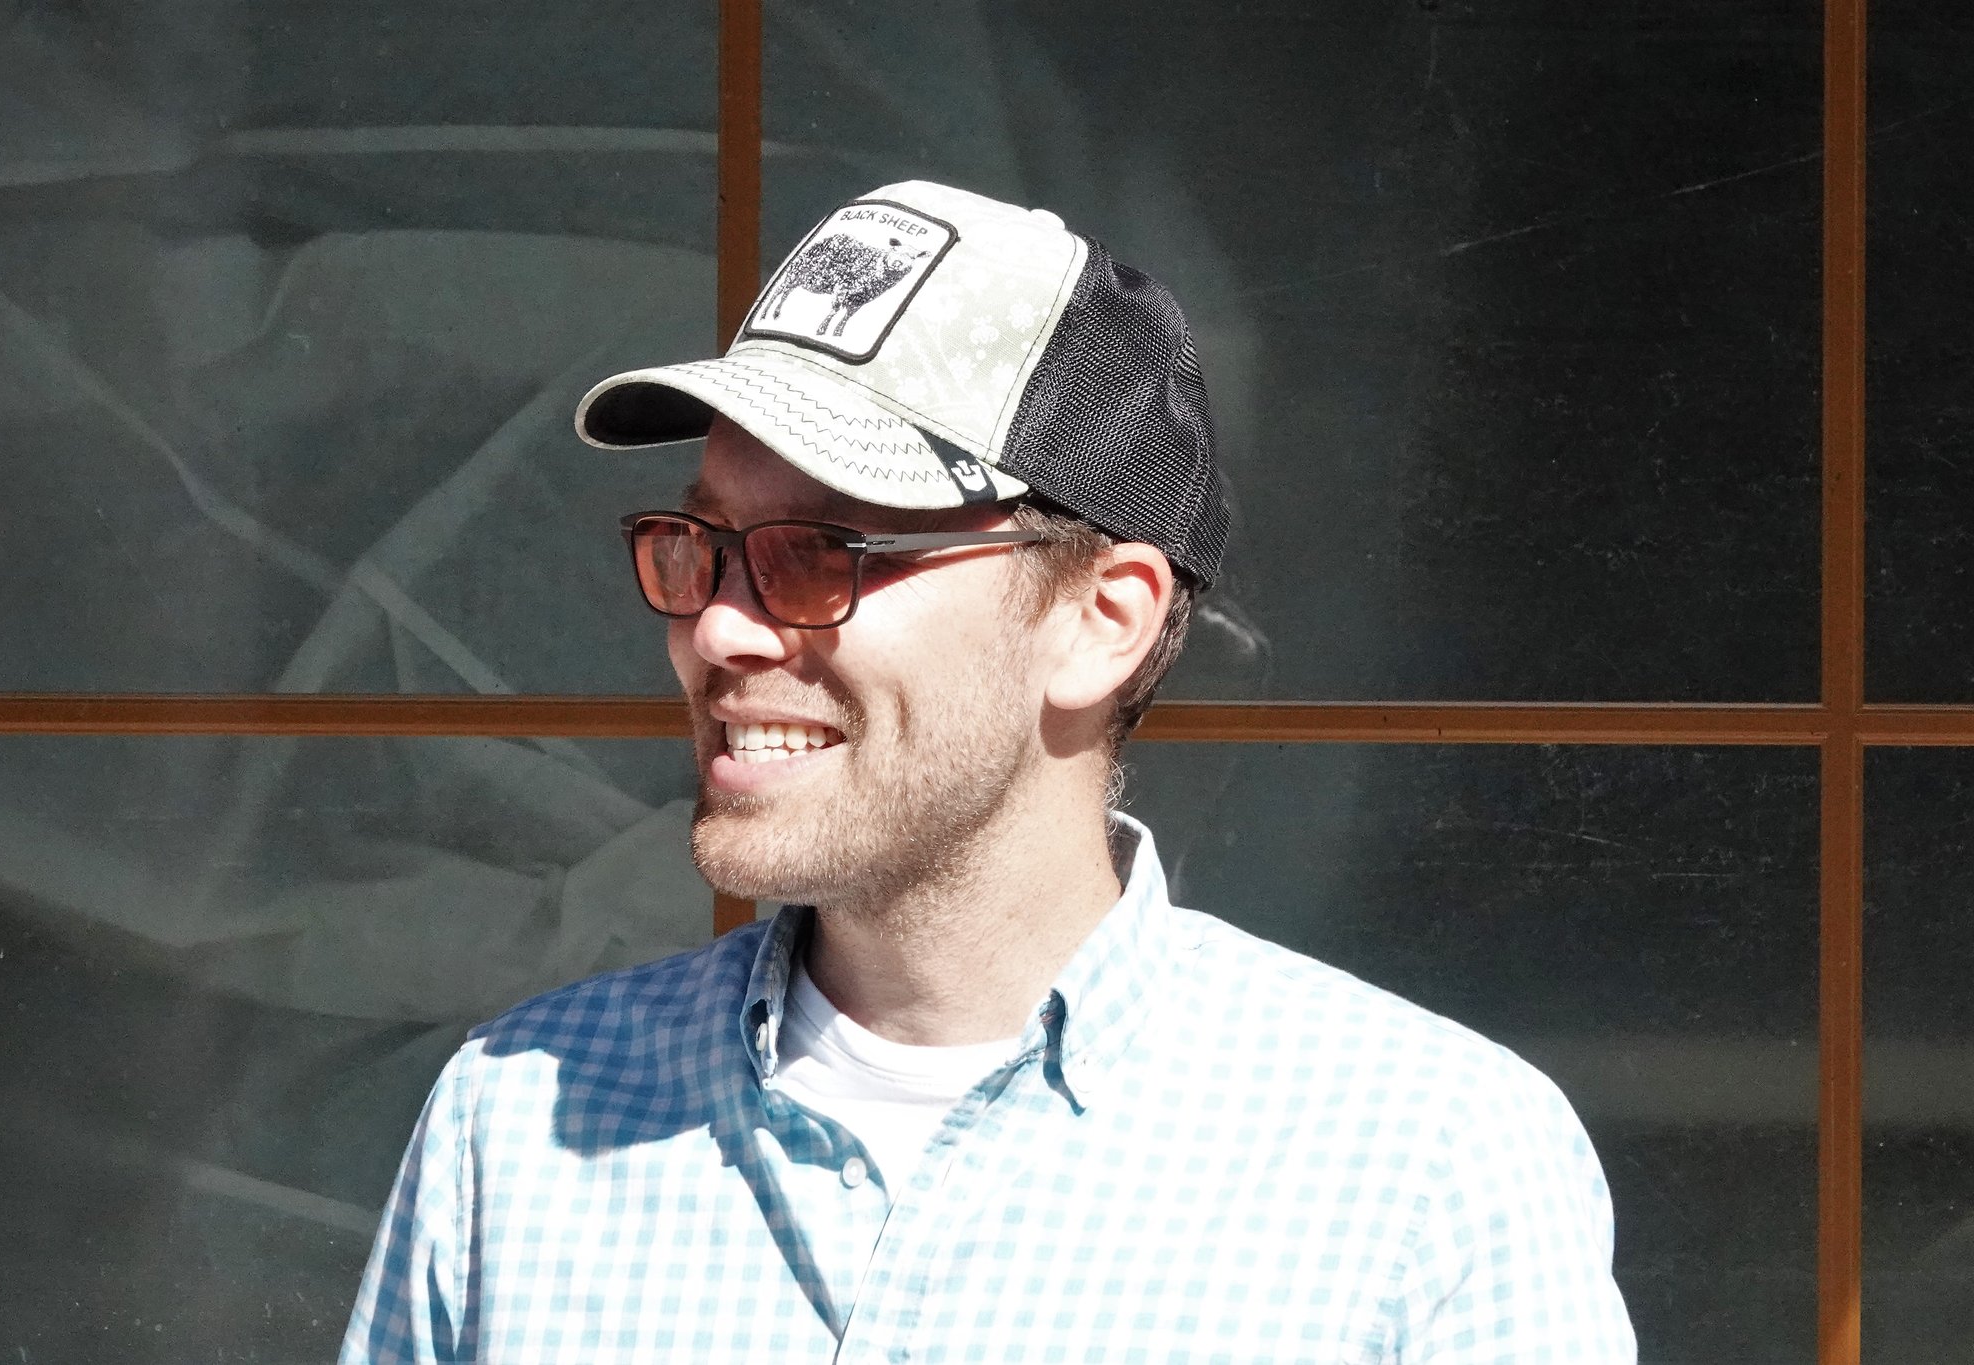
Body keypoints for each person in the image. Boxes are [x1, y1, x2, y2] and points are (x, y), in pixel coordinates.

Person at [340, 180, 1636, 1363]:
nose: (720, 627)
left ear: (1101, 619)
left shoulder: (1425, 1174)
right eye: (704, 542)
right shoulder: (515, 1128)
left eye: (821, 551)